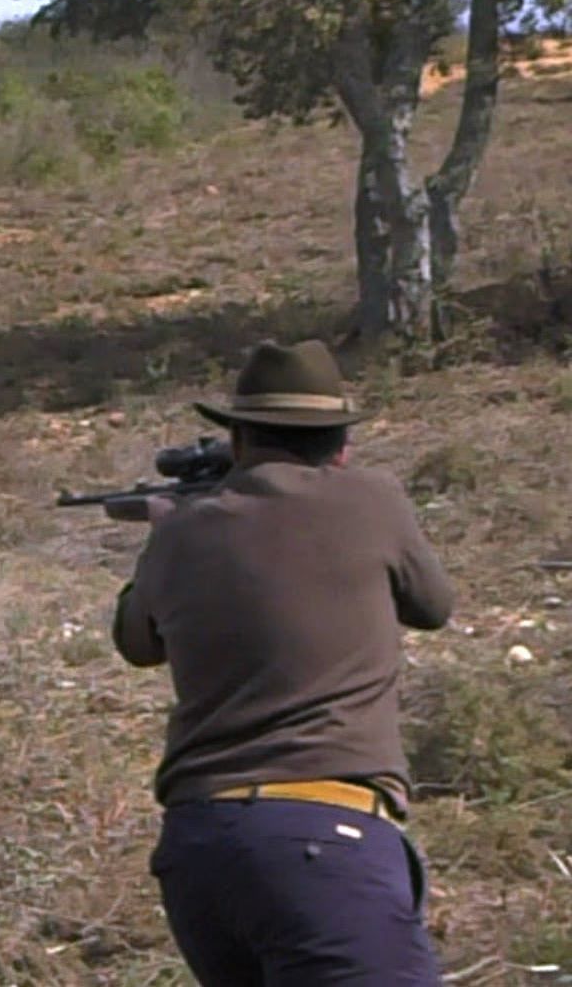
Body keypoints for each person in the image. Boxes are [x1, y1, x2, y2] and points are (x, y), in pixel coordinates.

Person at [110, 339, 455, 985]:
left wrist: (166, 535)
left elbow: (136, 642)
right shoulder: (372, 500)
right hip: (327, 841)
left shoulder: (184, 531)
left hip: (199, 850)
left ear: (237, 440)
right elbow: (434, 606)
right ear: (341, 443)